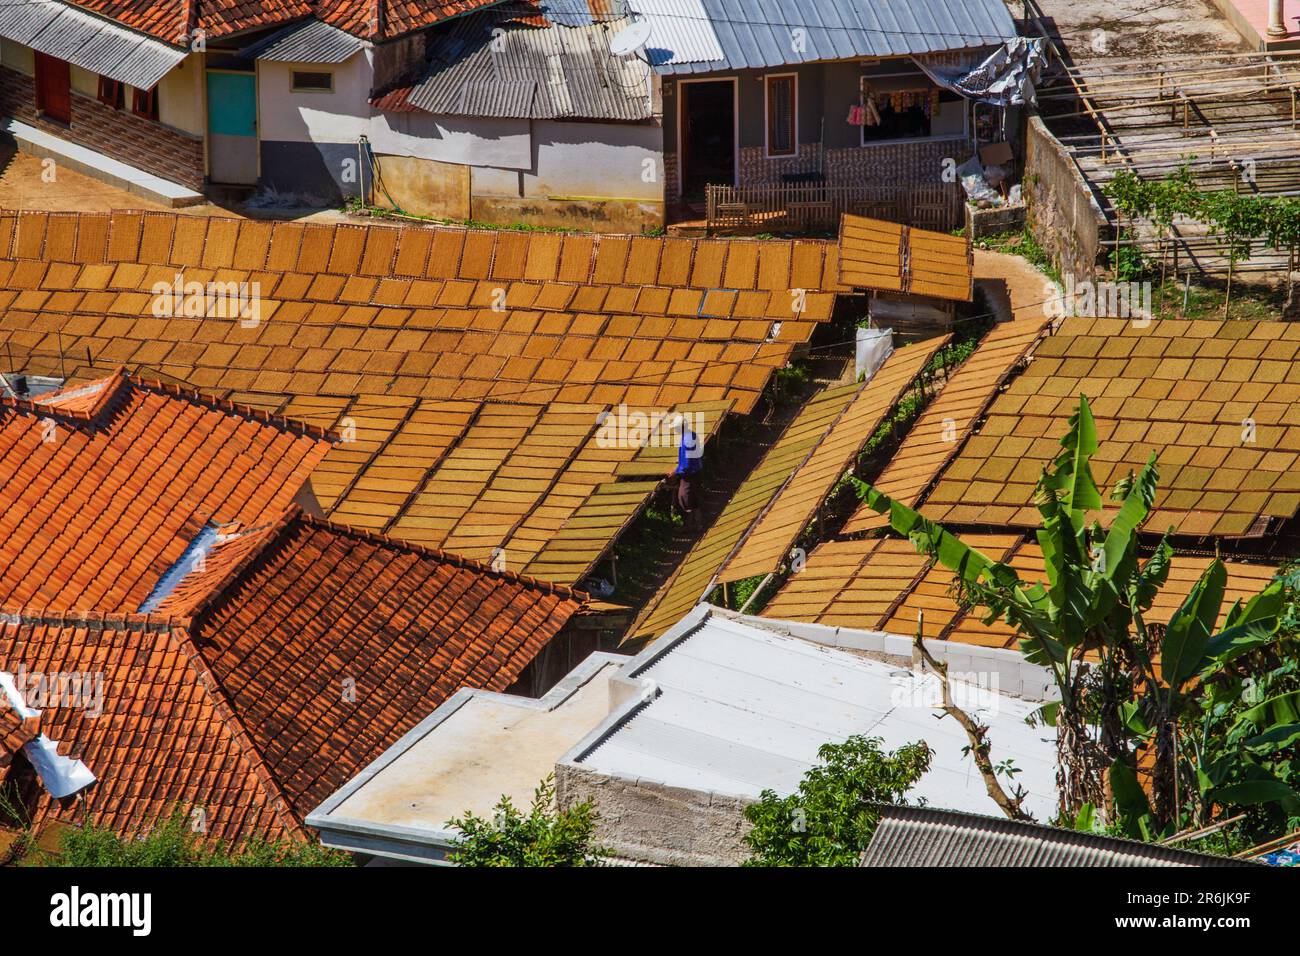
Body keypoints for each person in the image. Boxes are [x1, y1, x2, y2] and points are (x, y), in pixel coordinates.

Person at [675, 425, 704, 529]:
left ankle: (689, 524)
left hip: (689, 473)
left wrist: (676, 471)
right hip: (696, 470)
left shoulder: (687, 439)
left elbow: (687, 463)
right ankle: (697, 523)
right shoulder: (690, 435)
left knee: (684, 498)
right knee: (693, 497)